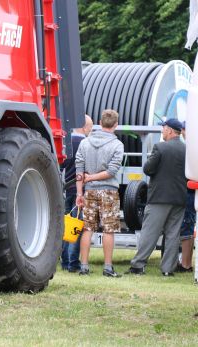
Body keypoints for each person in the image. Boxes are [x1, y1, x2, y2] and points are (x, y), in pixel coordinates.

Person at [127, 118, 187, 276]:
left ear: (170, 130)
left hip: (159, 198)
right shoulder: (187, 149)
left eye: (164, 128)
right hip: (179, 198)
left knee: (150, 232)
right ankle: (168, 269)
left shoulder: (160, 147)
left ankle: (138, 265)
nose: (162, 131)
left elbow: (148, 169)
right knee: (173, 235)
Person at [75, 109, 124, 277]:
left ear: (100, 123)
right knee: (108, 230)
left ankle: (84, 266)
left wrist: (79, 192)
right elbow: (112, 171)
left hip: (88, 192)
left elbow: (79, 169)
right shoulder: (117, 145)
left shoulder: (85, 143)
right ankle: (108, 267)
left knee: (87, 228)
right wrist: (93, 178)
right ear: (116, 125)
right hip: (109, 191)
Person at [61, 115, 93, 272]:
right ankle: (73, 263)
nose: (90, 132)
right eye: (90, 129)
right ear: (85, 128)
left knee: (66, 225)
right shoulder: (86, 144)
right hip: (80, 190)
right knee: (77, 227)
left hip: (67, 188)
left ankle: (64, 260)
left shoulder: (65, 142)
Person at [178, 122, 195, 272]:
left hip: (189, 191)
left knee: (187, 226)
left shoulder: (190, 147)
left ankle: (185, 264)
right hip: (193, 190)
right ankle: (186, 262)